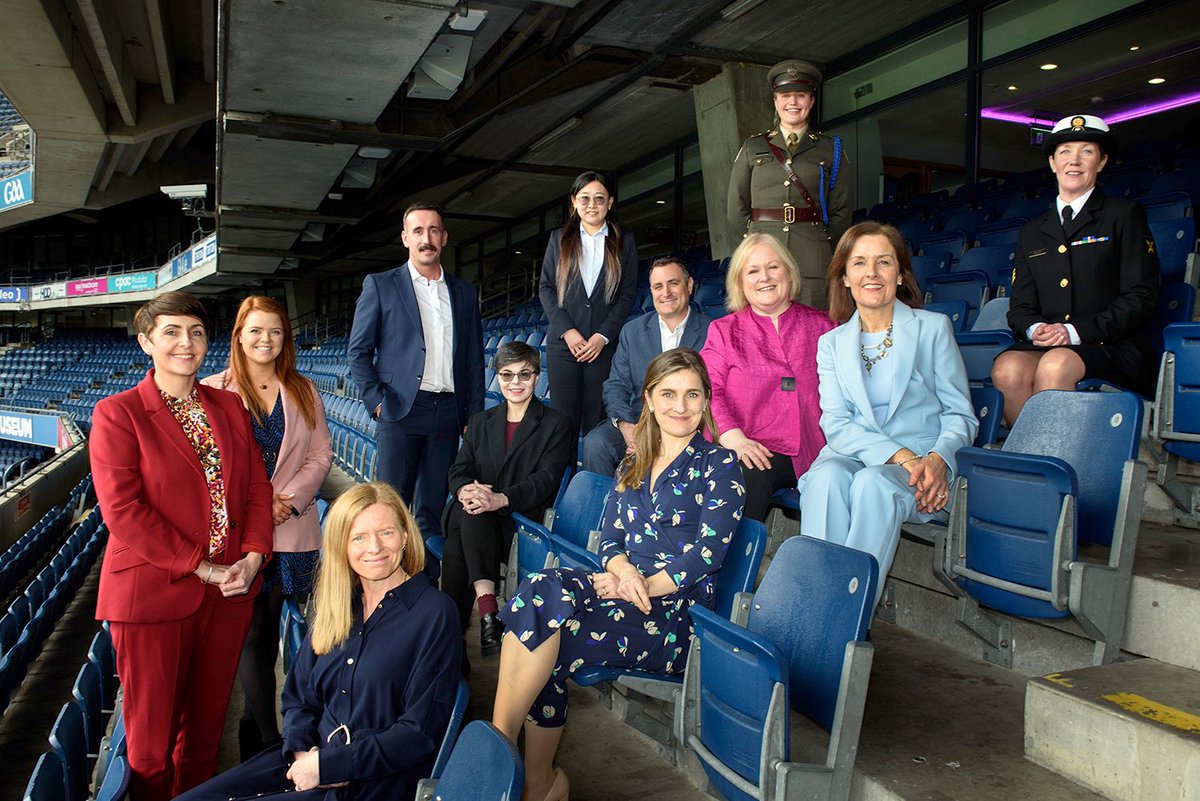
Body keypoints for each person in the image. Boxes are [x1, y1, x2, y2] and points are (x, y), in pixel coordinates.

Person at [492, 348, 744, 801]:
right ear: (648, 399)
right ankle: (530, 776)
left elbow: (707, 555)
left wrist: (641, 585)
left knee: (543, 629)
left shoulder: (720, 465)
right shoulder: (631, 465)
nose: (680, 406)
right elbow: (608, 540)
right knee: (539, 611)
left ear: (707, 401)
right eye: (668, 394)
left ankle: (509, 766)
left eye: (692, 395)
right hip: (622, 591)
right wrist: (623, 569)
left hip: (673, 614)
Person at [90, 291, 274, 801]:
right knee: (150, 751)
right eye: (170, 332)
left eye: (195, 332)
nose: (185, 343)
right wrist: (204, 568)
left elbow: (258, 487)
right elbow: (124, 512)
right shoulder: (117, 413)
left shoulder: (230, 405)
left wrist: (255, 554)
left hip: (229, 595)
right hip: (154, 597)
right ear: (146, 341)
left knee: (203, 742)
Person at [174, 482, 462, 801]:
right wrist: (300, 753)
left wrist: (328, 766)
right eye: (359, 537)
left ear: (406, 536)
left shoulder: (435, 613)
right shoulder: (338, 604)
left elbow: (419, 732)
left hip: (371, 781)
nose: (374, 548)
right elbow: (299, 695)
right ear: (342, 546)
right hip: (307, 761)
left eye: (386, 533)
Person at [799, 222, 977, 600]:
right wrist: (899, 455)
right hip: (858, 455)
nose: (871, 273)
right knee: (824, 479)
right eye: (859, 263)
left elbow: (960, 414)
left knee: (873, 484)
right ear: (845, 277)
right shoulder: (830, 344)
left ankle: (849, 614)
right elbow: (835, 422)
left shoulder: (932, 328)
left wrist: (937, 460)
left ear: (900, 273)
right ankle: (814, 603)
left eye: (883, 262)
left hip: (920, 471)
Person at [201, 295, 333, 760]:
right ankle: (269, 741)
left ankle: (252, 727)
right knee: (251, 631)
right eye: (256, 330)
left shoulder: (302, 388)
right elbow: (207, 466)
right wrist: (256, 506)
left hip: (289, 528)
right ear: (239, 334)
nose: (266, 340)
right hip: (237, 532)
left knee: (269, 627)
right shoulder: (211, 389)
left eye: (275, 331)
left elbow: (320, 456)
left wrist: (287, 500)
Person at [991, 114, 1159, 425]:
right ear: (1053, 162)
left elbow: (1141, 296)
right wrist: (1033, 329)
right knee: (1008, 367)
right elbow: (1021, 307)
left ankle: (1052, 467)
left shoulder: (1123, 215)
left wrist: (1073, 332)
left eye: (1087, 151)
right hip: (1050, 346)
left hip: (1111, 345)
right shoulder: (1032, 231)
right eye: (1065, 151)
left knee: (1055, 364)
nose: (1075, 161)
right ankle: (1029, 460)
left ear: (1102, 161)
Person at [349, 203, 485, 539]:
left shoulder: (464, 292)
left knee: (432, 511)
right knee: (390, 508)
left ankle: (424, 584)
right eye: (419, 231)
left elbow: (473, 360)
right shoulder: (381, 285)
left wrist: (474, 414)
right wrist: (377, 402)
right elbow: (359, 351)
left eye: (434, 230)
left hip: (448, 414)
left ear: (444, 238)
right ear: (405, 238)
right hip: (400, 411)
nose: (427, 238)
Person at [441, 341, 573, 656]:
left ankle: (452, 640)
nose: (515, 383)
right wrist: (465, 491)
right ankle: (486, 615)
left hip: (518, 523)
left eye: (524, 375)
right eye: (507, 374)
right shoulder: (480, 422)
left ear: (537, 377)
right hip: (479, 520)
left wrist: (499, 499)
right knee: (469, 511)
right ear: (498, 378)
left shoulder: (557, 425)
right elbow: (459, 469)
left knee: (461, 528)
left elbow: (545, 482)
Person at [700, 232, 833, 523]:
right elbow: (708, 390)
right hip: (742, 441)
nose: (765, 277)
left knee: (754, 472)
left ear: (789, 271)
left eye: (773, 266)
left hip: (810, 447)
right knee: (742, 470)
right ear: (740, 282)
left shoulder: (824, 326)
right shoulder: (724, 331)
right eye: (753, 270)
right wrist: (733, 436)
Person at [727, 59, 854, 310]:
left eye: (800, 95)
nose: (792, 103)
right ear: (775, 101)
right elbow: (736, 207)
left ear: (812, 101)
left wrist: (821, 244)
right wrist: (754, 244)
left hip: (812, 257)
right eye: (785, 95)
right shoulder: (754, 147)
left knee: (814, 332)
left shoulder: (832, 148)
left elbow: (842, 208)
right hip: (763, 257)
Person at [581, 256, 713, 477]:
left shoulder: (713, 331)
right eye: (658, 286)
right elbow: (615, 385)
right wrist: (626, 427)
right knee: (596, 444)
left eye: (674, 283)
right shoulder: (632, 331)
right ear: (651, 291)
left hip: (686, 424)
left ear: (689, 285)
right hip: (638, 422)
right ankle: (606, 509)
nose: (666, 293)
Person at [539, 170, 638, 443]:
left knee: (596, 424)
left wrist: (603, 336)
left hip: (601, 348)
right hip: (563, 346)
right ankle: (565, 485)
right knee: (562, 427)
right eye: (585, 198)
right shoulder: (559, 239)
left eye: (599, 198)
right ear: (573, 202)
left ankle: (595, 483)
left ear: (610, 202)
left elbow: (627, 294)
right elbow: (546, 288)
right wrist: (567, 331)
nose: (591, 205)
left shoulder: (624, 241)